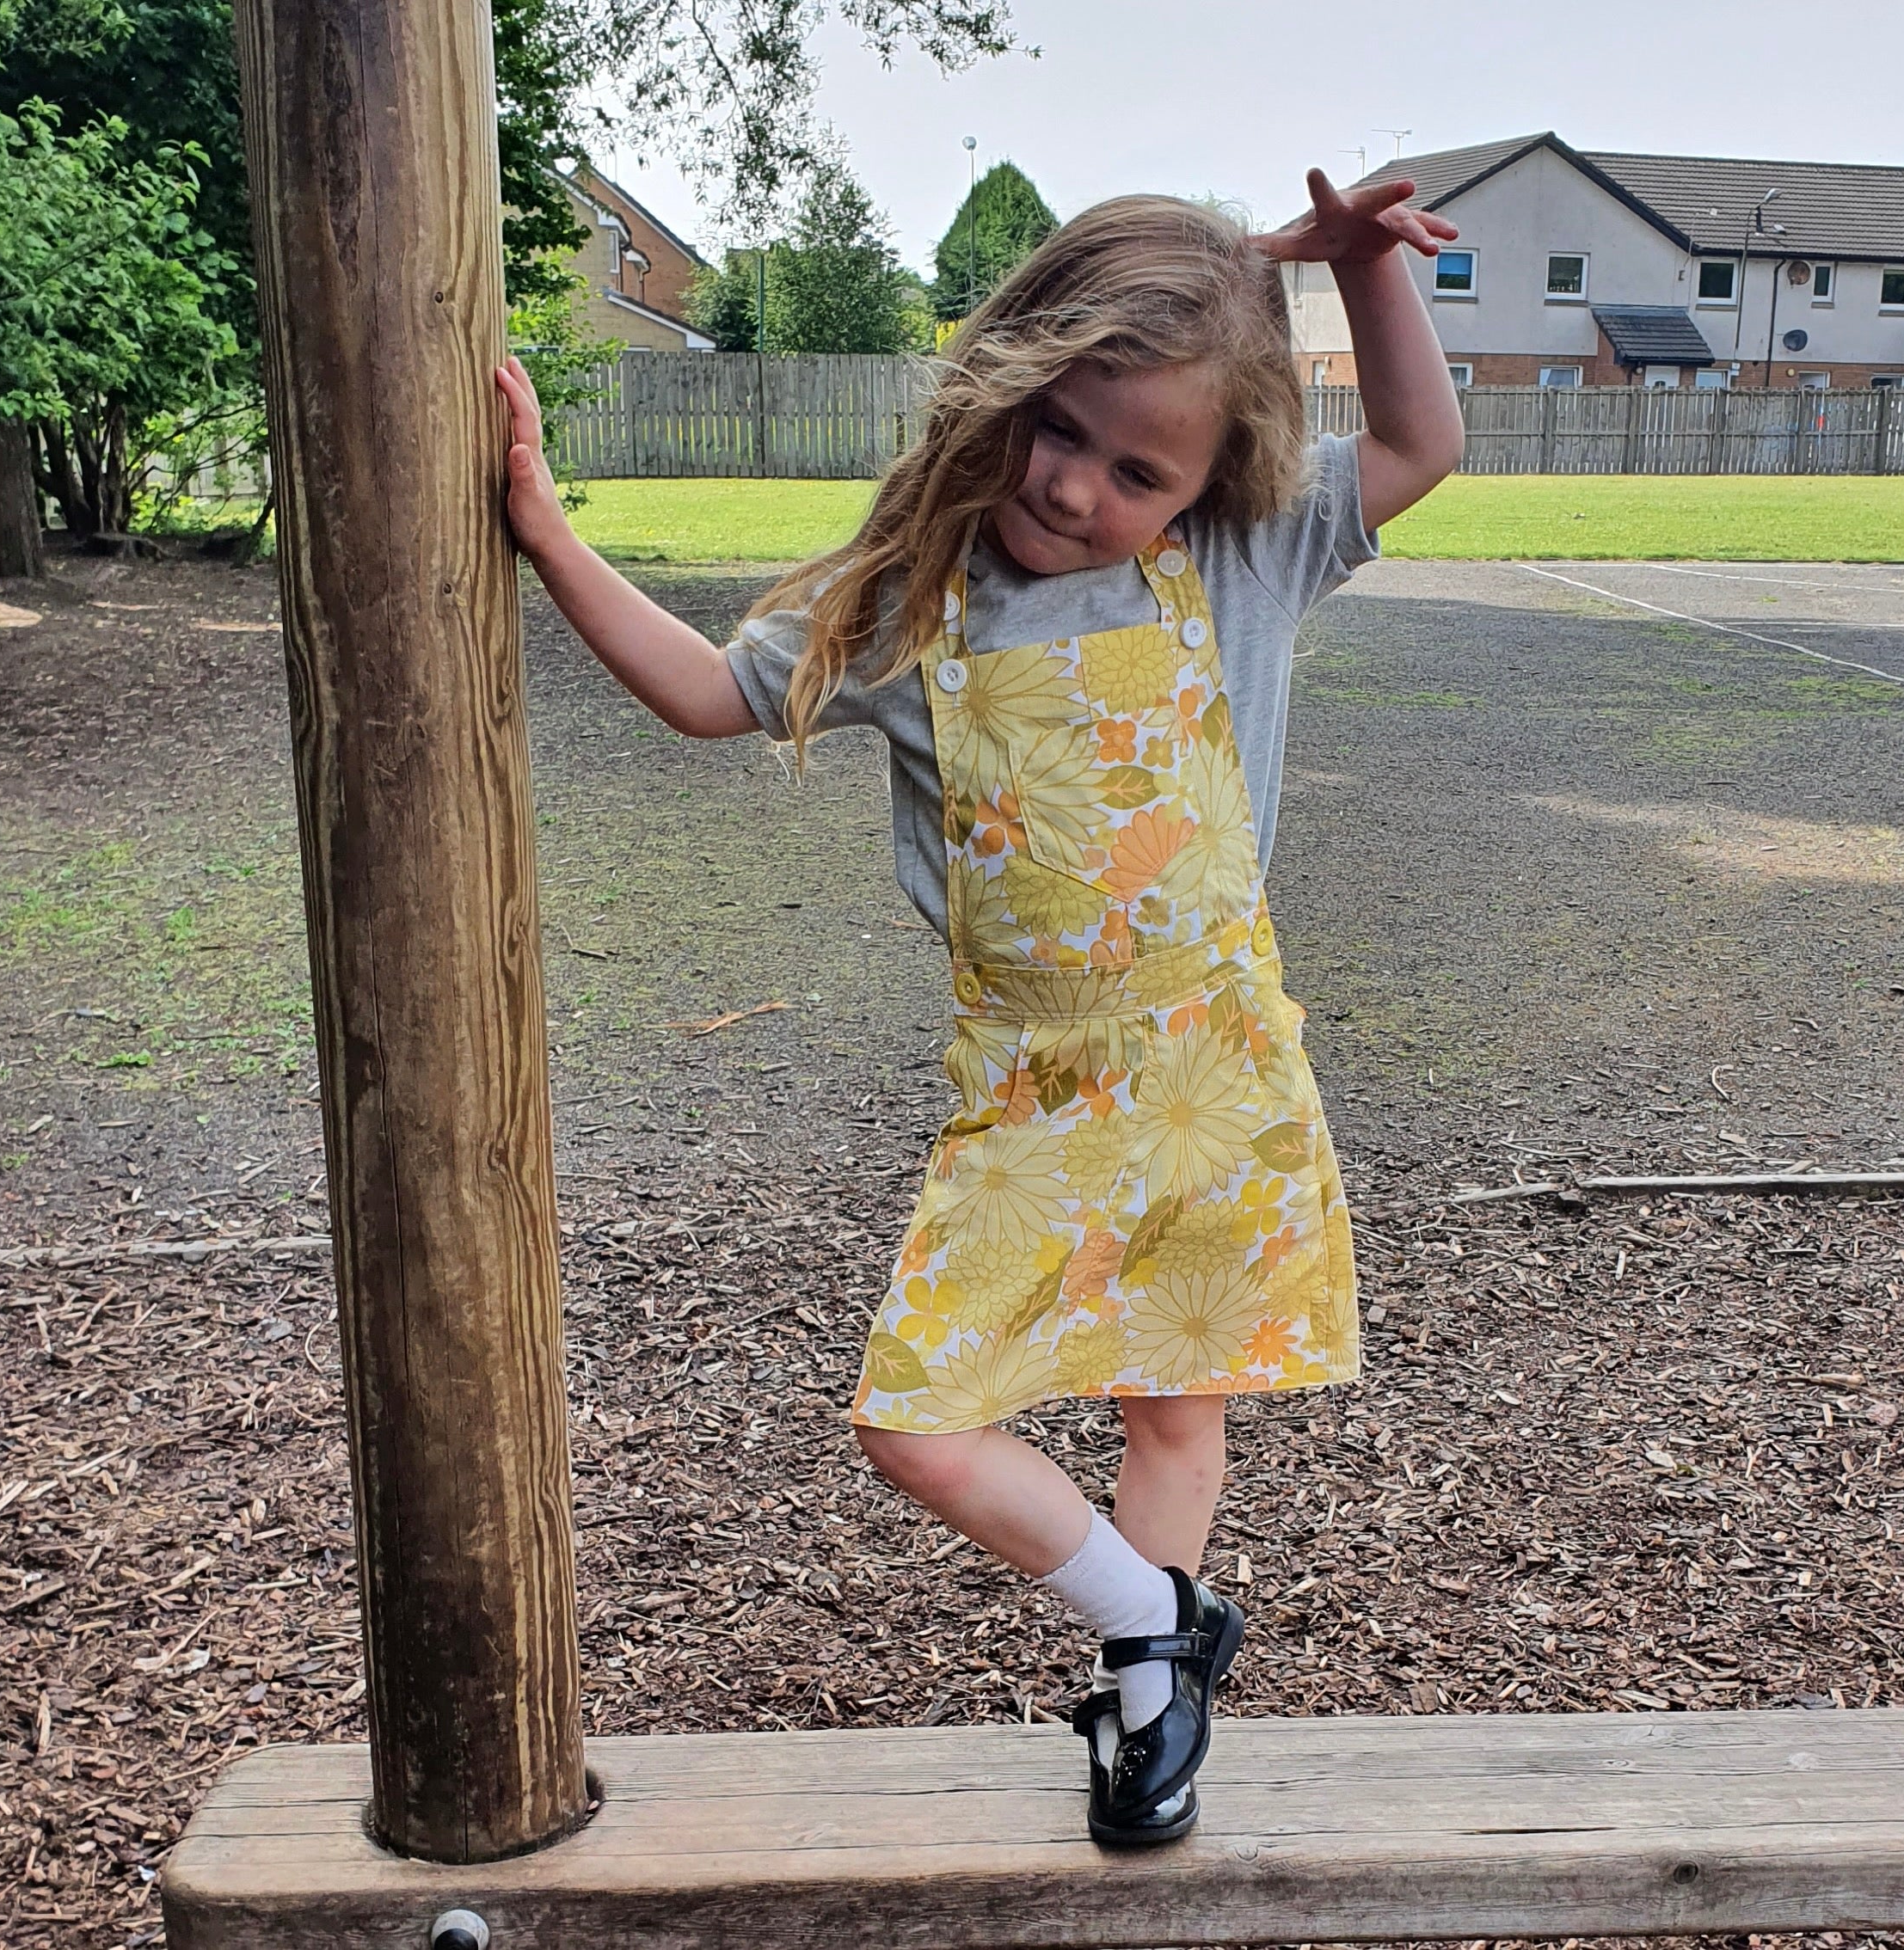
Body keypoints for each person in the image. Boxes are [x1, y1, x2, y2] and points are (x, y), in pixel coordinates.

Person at [492, 169, 1465, 1844]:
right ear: (1011, 380)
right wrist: (549, 533)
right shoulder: (914, 605)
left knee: (1175, 1406)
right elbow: (706, 695)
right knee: (917, 1424)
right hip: (1032, 1090)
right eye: (1059, 430)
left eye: (1134, 468)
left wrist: (1366, 271)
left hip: (1215, 1065)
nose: (1078, 484)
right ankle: (1149, 1615)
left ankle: (1151, 1708)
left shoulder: (1243, 559)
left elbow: (1419, 446)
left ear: (1208, 482)